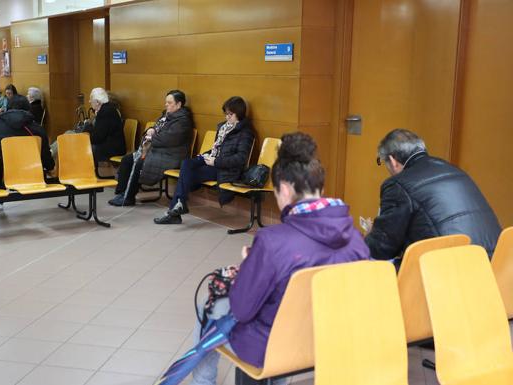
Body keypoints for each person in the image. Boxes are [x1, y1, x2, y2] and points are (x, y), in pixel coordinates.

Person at [189, 132, 370, 385]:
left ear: (284, 189)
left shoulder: (271, 241)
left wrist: (247, 268)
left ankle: (202, 382)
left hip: (276, 346)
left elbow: (242, 310)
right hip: (331, 340)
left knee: (207, 308)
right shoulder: (356, 238)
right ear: (321, 189)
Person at [364, 128, 501, 261]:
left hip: (451, 271)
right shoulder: (455, 171)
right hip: (492, 267)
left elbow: (381, 248)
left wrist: (372, 234)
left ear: (392, 160)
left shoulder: (398, 184)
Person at [154, 96, 254, 224]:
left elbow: (240, 159)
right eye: (226, 114)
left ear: (239, 114)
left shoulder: (245, 133)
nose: (227, 117)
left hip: (224, 168)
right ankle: (179, 205)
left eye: (231, 114)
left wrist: (215, 162)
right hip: (213, 160)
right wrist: (203, 156)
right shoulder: (223, 127)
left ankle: (176, 209)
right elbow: (217, 149)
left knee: (186, 175)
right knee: (186, 164)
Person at [108, 89, 193, 206]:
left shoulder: (183, 121)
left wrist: (152, 136)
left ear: (179, 104)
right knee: (127, 160)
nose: (166, 105)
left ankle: (129, 196)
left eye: (169, 103)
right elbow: (155, 130)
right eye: (166, 102)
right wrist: (150, 130)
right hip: (157, 151)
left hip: (171, 155)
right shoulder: (165, 116)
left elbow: (166, 139)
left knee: (138, 163)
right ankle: (123, 192)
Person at [0, 95, 55, 211]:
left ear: (8, 108)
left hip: (0, 175)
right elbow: (45, 154)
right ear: (28, 108)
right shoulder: (37, 128)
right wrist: (50, 166)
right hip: (31, 174)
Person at [82, 87, 126, 164]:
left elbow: (97, 138)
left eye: (91, 100)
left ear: (97, 102)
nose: (89, 102)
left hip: (113, 148)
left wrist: (87, 126)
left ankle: (87, 172)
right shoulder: (108, 109)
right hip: (114, 146)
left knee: (85, 148)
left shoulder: (105, 112)